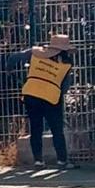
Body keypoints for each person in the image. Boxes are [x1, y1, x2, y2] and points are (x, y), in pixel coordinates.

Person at [20, 33, 76, 169]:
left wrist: (13, 75)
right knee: (57, 129)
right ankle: (62, 160)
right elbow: (65, 86)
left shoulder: (35, 55)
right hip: (51, 98)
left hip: (31, 94)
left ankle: (38, 160)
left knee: (36, 128)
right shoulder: (66, 64)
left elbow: (14, 58)